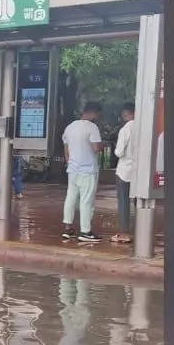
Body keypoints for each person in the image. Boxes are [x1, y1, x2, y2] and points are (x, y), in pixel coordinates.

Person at [61, 102, 105, 242]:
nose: (98, 117)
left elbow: (66, 150)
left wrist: (71, 161)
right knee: (86, 200)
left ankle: (68, 229)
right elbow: (96, 148)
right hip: (88, 169)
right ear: (94, 113)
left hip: (73, 170)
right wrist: (101, 145)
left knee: (71, 198)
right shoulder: (92, 127)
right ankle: (85, 232)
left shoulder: (70, 127)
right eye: (98, 114)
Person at [112, 102, 137, 243]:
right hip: (138, 172)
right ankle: (141, 231)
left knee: (123, 202)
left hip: (124, 172)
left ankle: (124, 234)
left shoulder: (125, 129)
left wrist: (116, 148)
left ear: (126, 114)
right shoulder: (143, 128)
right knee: (139, 203)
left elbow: (119, 152)